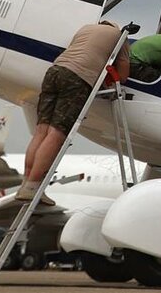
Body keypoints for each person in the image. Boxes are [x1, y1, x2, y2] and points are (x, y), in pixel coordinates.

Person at [21, 20, 129, 202]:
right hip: (77, 78)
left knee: (41, 131)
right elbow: (124, 74)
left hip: (54, 72)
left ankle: (26, 184)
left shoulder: (85, 29)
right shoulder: (119, 35)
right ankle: (33, 187)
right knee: (56, 134)